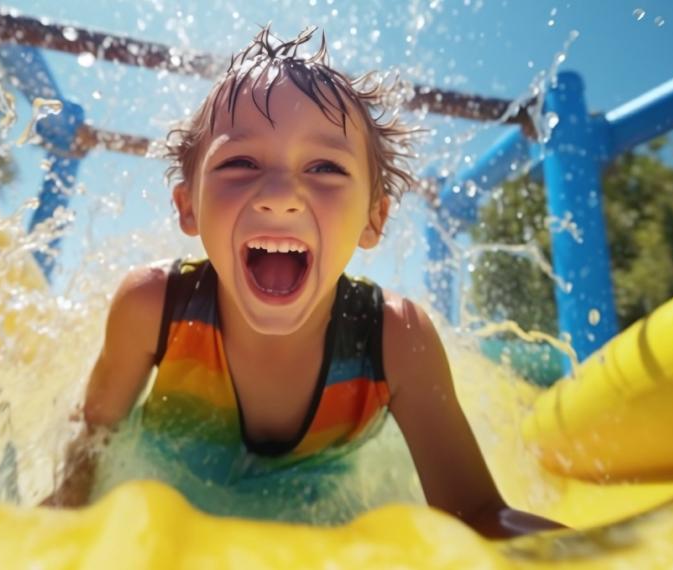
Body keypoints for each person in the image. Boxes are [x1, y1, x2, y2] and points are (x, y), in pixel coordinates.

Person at [44, 27, 562, 538]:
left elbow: (474, 514)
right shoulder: (154, 307)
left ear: (373, 220)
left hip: (319, 492)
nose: (280, 195)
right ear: (188, 206)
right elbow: (92, 438)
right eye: (240, 162)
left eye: (325, 167)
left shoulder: (395, 340)